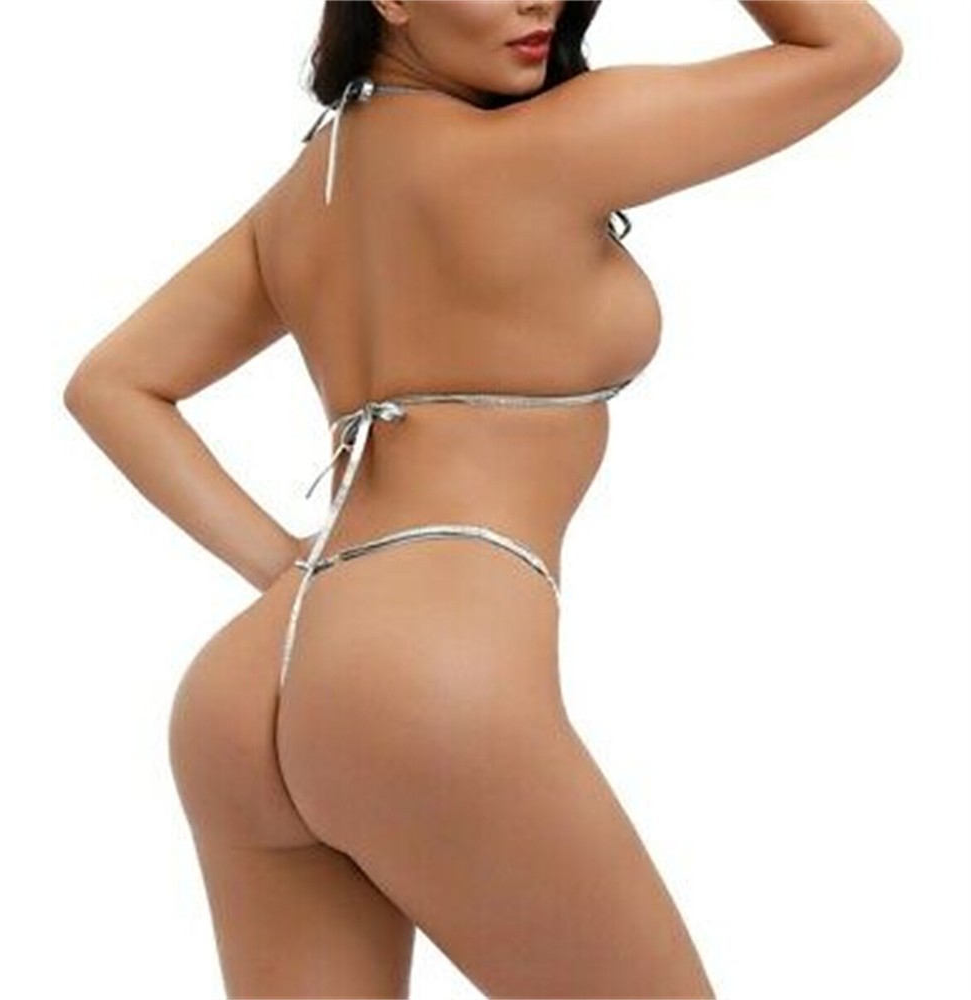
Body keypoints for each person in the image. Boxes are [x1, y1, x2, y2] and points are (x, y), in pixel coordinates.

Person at [63, 1, 903, 996]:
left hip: (242, 696)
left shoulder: (306, 194)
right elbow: (852, 45)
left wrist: (290, 569)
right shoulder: (559, 144)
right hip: (424, 683)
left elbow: (113, 384)